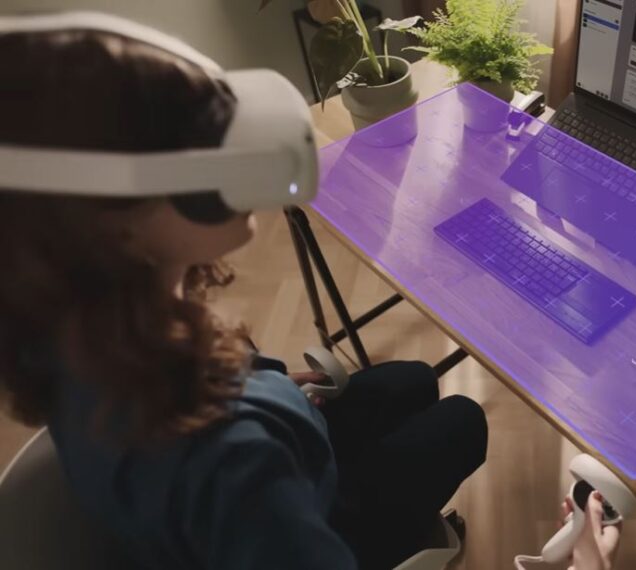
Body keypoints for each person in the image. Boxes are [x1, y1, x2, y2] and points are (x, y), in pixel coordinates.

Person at [0, 18, 487, 570]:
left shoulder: (74, 325)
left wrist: (263, 380)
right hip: (311, 512)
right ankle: (401, 533)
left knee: (414, 379)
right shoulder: (236, 464)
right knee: (465, 419)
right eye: (195, 132)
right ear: (107, 220)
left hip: (283, 456)